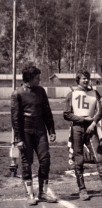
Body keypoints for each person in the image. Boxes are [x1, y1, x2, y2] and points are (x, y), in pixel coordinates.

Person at [11, 65, 57, 205]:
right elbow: (15, 118)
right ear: (29, 78)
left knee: (45, 160)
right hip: (25, 132)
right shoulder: (17, 93)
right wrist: (18, 139)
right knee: (27, 163)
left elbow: (47, 112)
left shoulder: (41, 91)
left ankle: (42, 193)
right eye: (37, 77)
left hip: (41, 131)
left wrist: (51, 130)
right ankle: (30, 194)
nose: (39, 80)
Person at [63, 70, 102, 202]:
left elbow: (101, 110)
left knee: (99, 157)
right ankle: (82, 189)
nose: (86, 81)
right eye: (83, 78)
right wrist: (81, 120)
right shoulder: (71, 94)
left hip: (91, 128)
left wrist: (94, 123)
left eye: (87, 78)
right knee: (78, 159)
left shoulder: (94, 93)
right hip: (77, 128)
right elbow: (66, 114)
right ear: (78, 80)